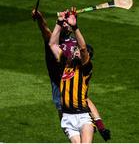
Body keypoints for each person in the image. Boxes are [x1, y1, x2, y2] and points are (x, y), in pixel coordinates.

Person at [32, 9, 111, 142]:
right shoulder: (64, 59)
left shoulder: (82, 60)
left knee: (80, 97)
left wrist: (75, 27)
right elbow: (50, 40)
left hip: (79, 105)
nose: (76, 51)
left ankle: (98, 124)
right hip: (60, 89)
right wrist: (50, 20)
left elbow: (84, 49)